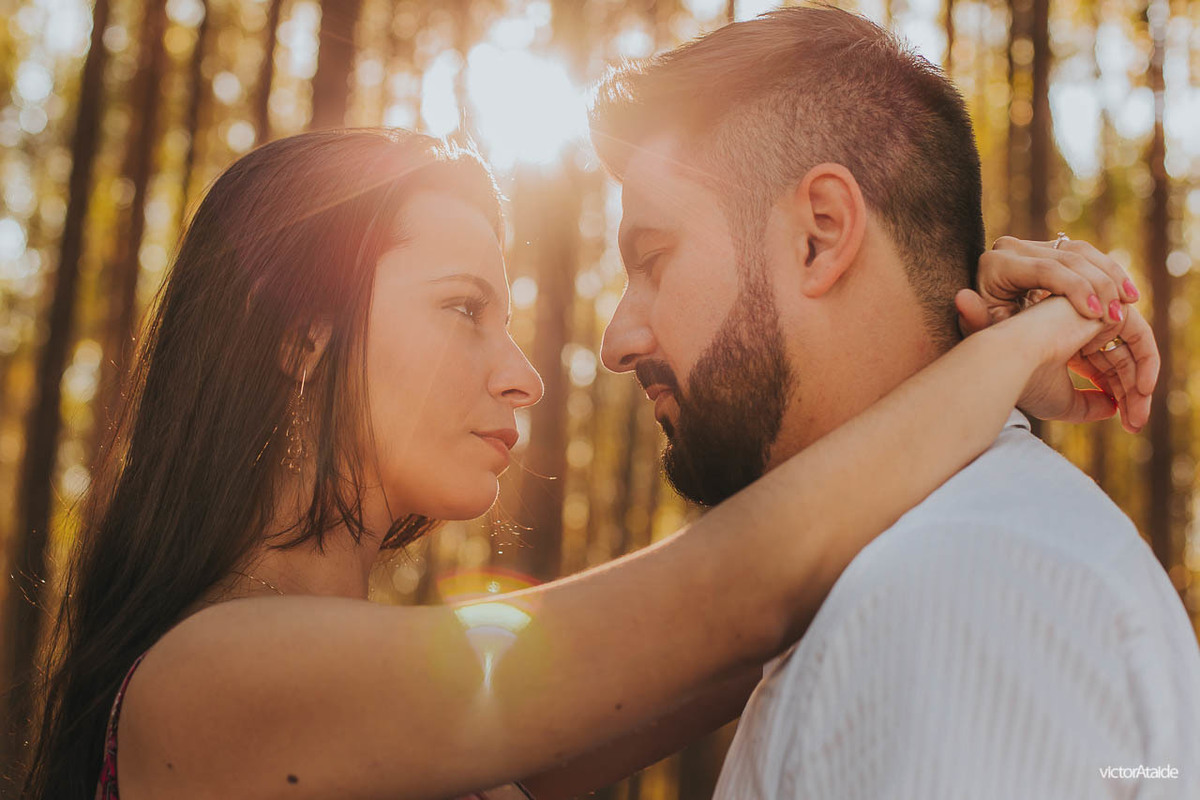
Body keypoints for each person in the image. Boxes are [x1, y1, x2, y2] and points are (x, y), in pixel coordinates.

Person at [12, 124, 1127, 800]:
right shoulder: (202, 686)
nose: (525, 373)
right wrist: (1026, 340)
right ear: (299, 333)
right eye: (463, 309)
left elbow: (786, 607)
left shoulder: (394, 707)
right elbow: (730, 589)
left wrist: (962, 357)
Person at [589, 5, 1200, 799]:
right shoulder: (904, 576)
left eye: (655, 257)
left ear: (820, 233)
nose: (618, 340)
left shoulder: (956, 590)